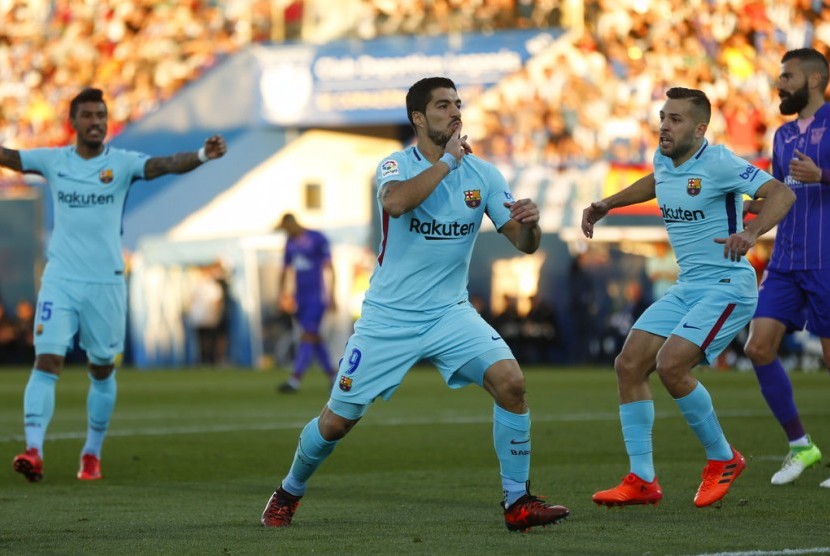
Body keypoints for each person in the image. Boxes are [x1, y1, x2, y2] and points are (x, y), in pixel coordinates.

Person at [260, 76, 570, 531]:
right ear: (419, 118)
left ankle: (517, 502)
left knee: (511, 383)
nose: (455, 112)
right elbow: (399, 203)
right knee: (335, 424)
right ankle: (289, 491)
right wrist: (447, 162)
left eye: (458, 104)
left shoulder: (484, 174)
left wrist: (532, 224)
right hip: (389, 318)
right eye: (443, 106)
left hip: (450, 313)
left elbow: (523, 244)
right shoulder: (394, 166)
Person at [581, 87, 795, 508]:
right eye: (663, 116)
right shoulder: (664, 158)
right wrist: (608, 203)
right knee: (628, 365)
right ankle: (642, 480)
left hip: (727, 285)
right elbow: (655, 181)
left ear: (700, 129)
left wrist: (750, 233)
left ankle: (723, 457)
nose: (664, 124)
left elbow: (782, 194)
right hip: (688, 286)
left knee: (671, 365)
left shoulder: (718, 162)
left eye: (676, 119)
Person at [4, 87, 227, 482]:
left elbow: (164, 164)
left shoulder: (121, 163)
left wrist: (202, 156)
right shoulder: (54, 160)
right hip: (61, 278)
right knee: (47, 360)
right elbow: (14, 159)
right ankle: (34, 449)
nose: (96, 123)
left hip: (106, 281)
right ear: (72, 123)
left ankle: (92, 453)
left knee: (102, 369)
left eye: (101, 116)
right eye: (88, 116)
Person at [742, 48, 830, 489]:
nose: (780, 84)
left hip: (827, 259)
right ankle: (801, 445)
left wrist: (824, 176)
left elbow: (816, 180)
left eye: (788, 76)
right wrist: (742, 206)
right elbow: (777, 194)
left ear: (814, 81)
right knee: (758, 348)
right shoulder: (781, 136)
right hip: (786, 261)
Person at [274, 213, 338, 393]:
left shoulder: (317, 238)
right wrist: (283, 295)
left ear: (292, 223)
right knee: (314, 338)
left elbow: (330, 267)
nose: (286, 232)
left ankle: (295, 379)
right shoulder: (290, 243)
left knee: (307, 335)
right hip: (300, 297)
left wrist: (332, 294)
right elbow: (285, 269)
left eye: (286, 228)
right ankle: (334, 377)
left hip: (316, 296)